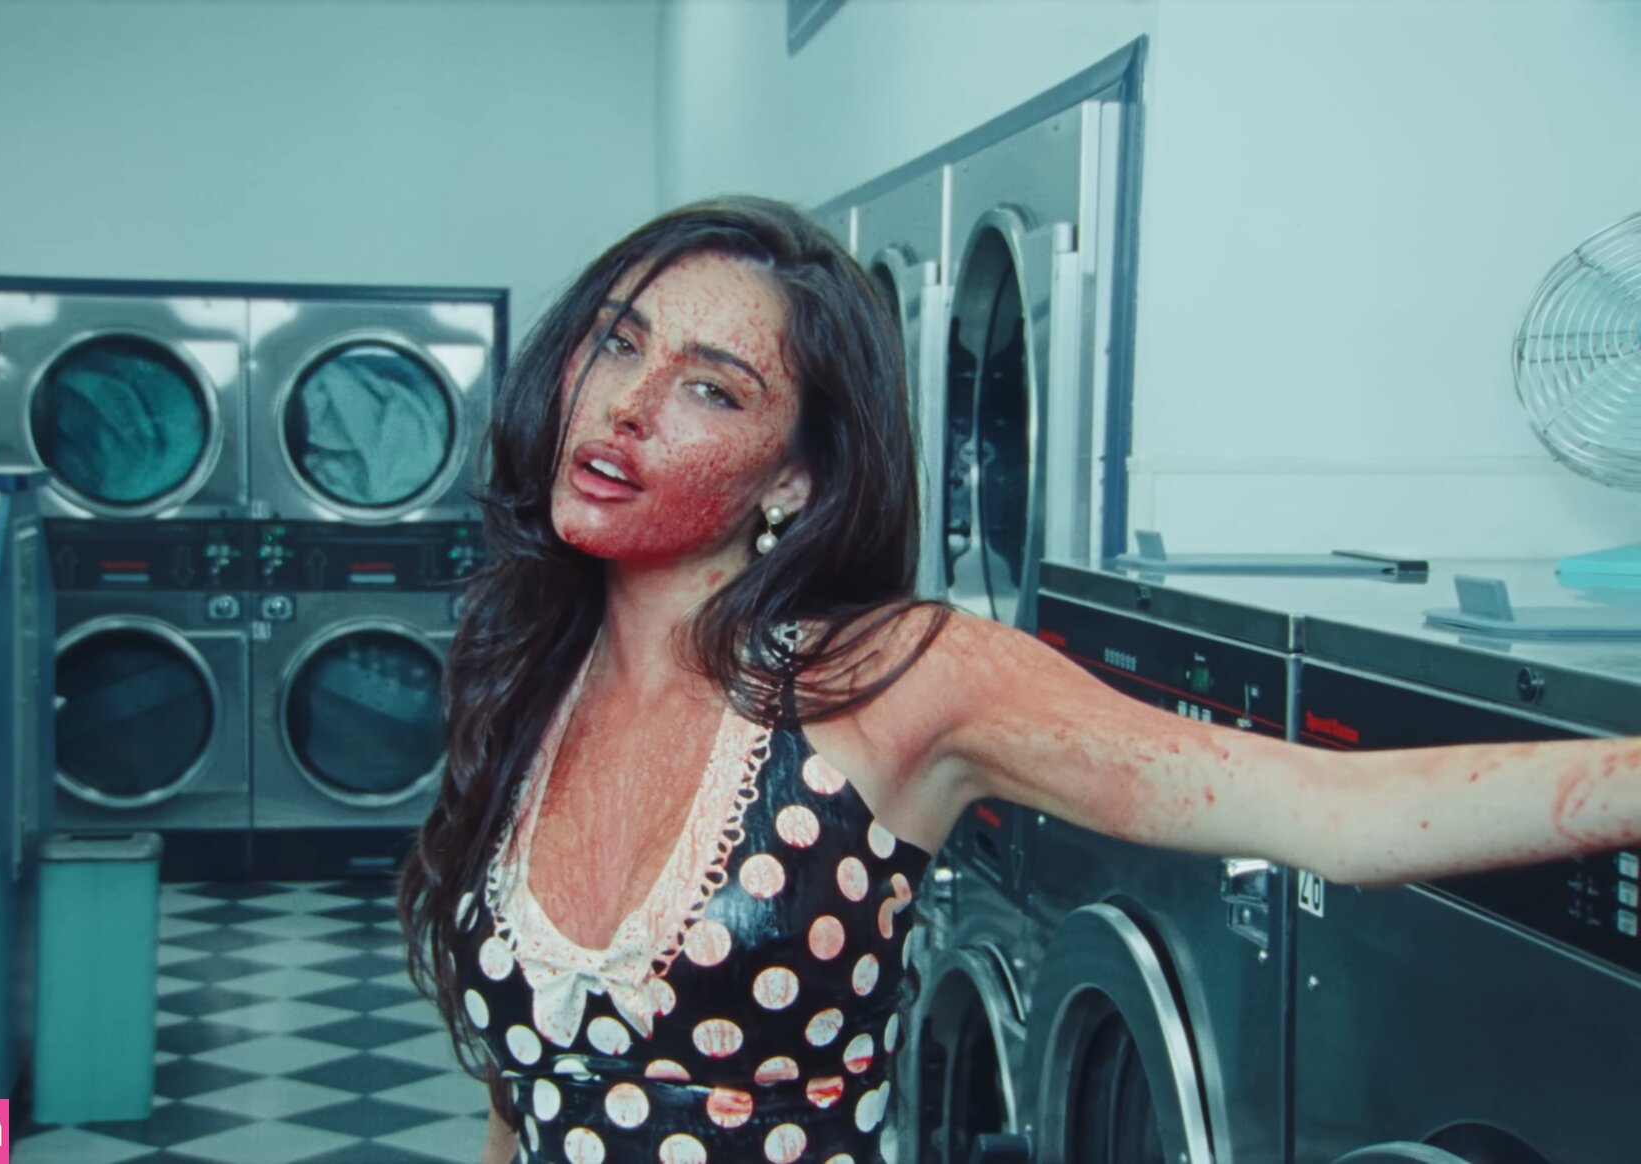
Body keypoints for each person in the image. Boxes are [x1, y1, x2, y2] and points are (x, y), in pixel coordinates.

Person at [397, 196, 1641, 1164]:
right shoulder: (529, 680)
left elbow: (1335, 813)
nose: (627, 406)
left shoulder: (894, 680)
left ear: (795, 479)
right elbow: (523, 1103)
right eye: (617, 344)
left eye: (710, 388)